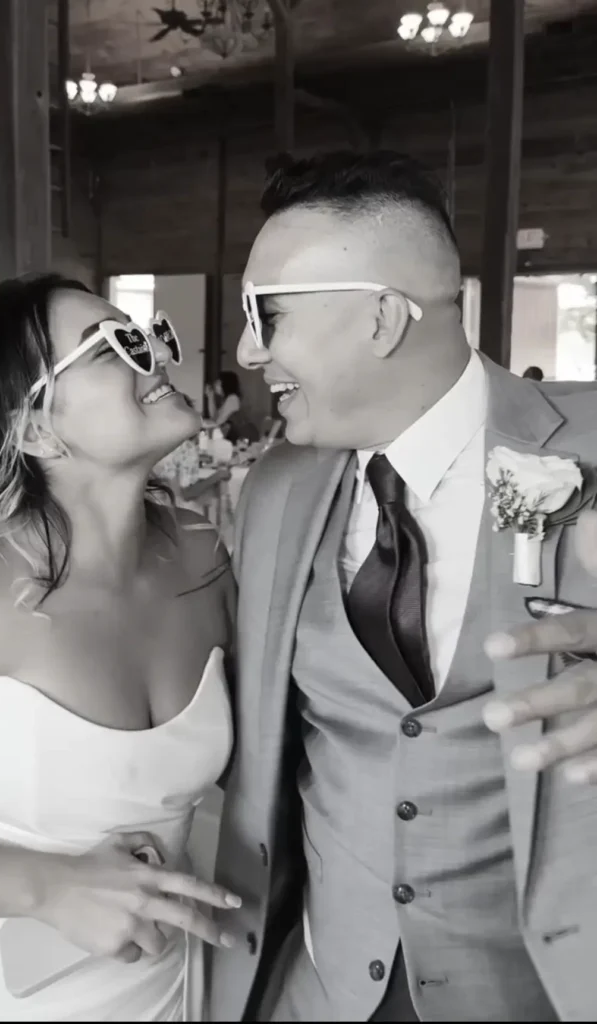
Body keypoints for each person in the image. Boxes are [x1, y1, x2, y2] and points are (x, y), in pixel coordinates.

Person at [208, 150, 597, 1022]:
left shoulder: (590, 446)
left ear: (381, 319)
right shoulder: (271, 490)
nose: (244, 350)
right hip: (322, 987)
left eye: (265, 315)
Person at [0, 273, 241, 1021]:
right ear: (34, 429)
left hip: (163, 992)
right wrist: (49, 886)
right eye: (115, 345)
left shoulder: (200, 557)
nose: (153, 355)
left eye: (146, 334)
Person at [205, 372, 257, 444]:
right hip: (230, 437)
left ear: (226, 384)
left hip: (236, 439)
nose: (215, 385)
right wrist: (210, 396)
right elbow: (214, 417)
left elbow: (218, 423)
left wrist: (203, 423)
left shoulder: (232, 399)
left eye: (218, 383)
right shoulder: (227, 399)